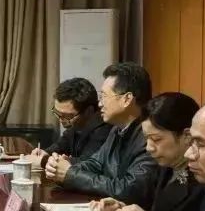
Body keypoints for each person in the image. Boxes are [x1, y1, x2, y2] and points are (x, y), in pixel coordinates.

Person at [92, 92, 204, 211]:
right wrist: (122, 209)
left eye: (156, 139)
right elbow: (151, 209)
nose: (149, 148)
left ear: (187, 136)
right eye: (146, 139)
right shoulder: (164, 166)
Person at [45, 62, 156, 201]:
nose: (99, 103)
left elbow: (128, 189)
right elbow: (95, 163)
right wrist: (60, 169)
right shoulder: (117, 128)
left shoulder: (150, 136)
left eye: (104, 96)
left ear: (127, 99)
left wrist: (70, 174)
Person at [29, 77, 111, 169]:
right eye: (58, 113)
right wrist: (45, 153)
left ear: (89, 111)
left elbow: (88, 163)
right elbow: (60, 146)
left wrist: (44, 160)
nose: (61, 120)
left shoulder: (104, 128)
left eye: (67, 116)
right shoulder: (75, 123)